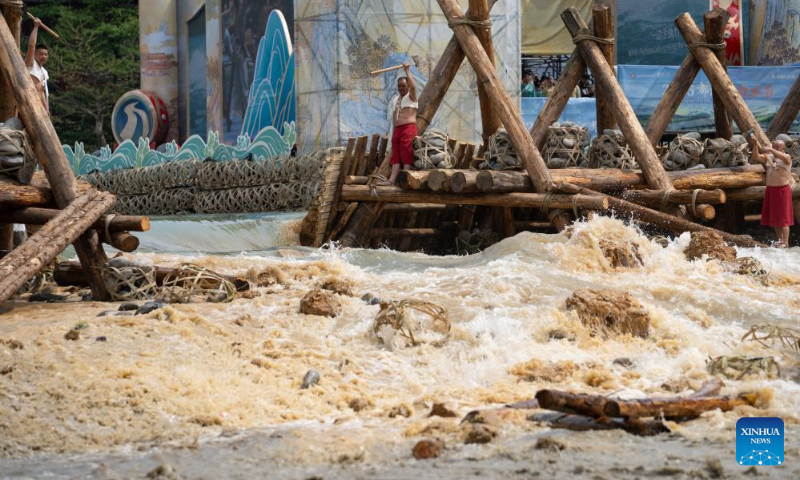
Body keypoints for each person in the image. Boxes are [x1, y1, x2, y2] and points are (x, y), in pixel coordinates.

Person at [749, 135, 794, 247]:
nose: (775, 148)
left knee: (784, 218)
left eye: (777, 147)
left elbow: (785, 158)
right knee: (774, 217)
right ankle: (780, 240)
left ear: (783, 149)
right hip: (771, 190)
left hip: (782, 190)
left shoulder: (786, 157)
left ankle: (786, 241)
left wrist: (770, 149)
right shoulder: (769, 157)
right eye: (774, 146)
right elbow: (756, 157)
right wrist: (755, 144)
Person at [382, 63, 417, 185]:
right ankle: (392, 180)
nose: (401, 88)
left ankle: (405, 180)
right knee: (396, 155)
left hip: (408, 128)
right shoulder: (397, 99)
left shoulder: (411, 97)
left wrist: (407, 70)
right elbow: (394, 116)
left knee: (406, 153)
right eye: (399, 86)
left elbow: (413, 87)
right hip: (397, 130)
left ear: (407, 86)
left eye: (403, 86)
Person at [25, 18, 49, 114]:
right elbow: (31, 46)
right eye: (41, 54)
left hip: (39, 107)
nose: (43, 56)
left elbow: (43, 92)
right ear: (35, 54)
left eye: (45, 54)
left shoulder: (44, 72)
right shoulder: (31, 64)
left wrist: (46, 109)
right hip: (29, 103)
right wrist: (36, 27)